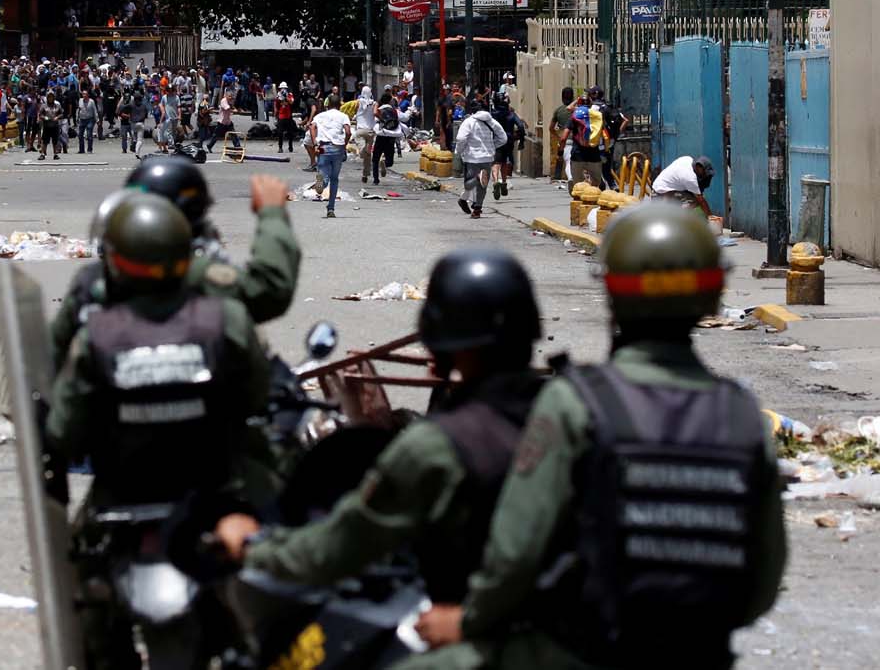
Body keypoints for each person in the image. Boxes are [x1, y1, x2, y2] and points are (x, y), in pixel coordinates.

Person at [413, 204, 786, 670]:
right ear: (713, 295)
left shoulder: (576, 403)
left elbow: (515, 555)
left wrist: (468, 621)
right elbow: (762, 582)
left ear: (612, 293)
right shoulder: (742, 414)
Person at [215, 250, 545, 610]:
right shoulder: (571, 407)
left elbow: (341, 543)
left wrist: (253, 547)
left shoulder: (437, 447)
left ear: (437, 341)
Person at [46, 193, 273, 670]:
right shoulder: (226, 319)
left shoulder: (98, 335)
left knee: (81, 591)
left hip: (120, 502)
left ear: (117, 264)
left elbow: (65, 431)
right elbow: (255, 398)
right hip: (214, 497)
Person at [50, 161, 300, 371]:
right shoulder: (202, 276)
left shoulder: (93, 281)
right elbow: (270, 289)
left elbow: (51, 355)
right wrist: (272, 213)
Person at [455, 98, 506, 219]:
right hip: (487, 158)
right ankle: (477, 209)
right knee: (483, 186)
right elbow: (503, 138)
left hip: (472, 157)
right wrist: (492, 146)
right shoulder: (492, 121)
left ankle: (476, 181)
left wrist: (460, 150)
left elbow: (461, 139)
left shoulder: (468, 122)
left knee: (469, 182)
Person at [309, 94, 352, 219]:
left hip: (323, 147)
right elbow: (348, 132)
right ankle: (331, 208)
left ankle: (321, 183)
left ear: (327, 105)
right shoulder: (343, 116)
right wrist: (344, 143)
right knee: (335, 178)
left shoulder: (319, 116)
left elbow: (312, 127)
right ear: (339, 105)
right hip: (337, 148)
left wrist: (315, 143)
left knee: (323, 173)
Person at [568, 88, 607, 187]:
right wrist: (605, 150)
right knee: (596, 185)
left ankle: (580, 199)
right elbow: (604, 134)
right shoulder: (597, 115)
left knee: (578, 186)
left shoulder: (576, 114)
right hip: (594, 155)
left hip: (577, 155)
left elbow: (564, 137)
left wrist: (560, 151)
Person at [372, 91, 402, 185]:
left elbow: (375, 114)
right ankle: (385, 163)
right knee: (390, 161)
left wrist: (377, 106)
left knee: (375, 159)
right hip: (391, 137)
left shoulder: (380, 109)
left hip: (381, 135)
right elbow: (398, 120)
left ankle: (376, 180)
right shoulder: (394, 110)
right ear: (390, 101)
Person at [549, 86, 575, 181]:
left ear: (562, 98)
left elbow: (551, 128)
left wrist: (557, 136)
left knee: (560, 157)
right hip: (577, 138)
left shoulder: (558, 111)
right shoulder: (577, 110)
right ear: (573, 97)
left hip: (563, 138)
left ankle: (557, 176)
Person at [354, 85, 378, 184]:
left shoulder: (358, 102)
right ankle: (365, 174)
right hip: (370, 131)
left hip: (360, 130)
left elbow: (354, 112)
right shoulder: (374, 103)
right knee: (368, 155)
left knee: (363, 152)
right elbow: (376, 113)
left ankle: (363, 151)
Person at [38, 91, 64, 160]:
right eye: (49, 97)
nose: (50, 98)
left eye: (52, 97)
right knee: (45, 141)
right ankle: (43, 154)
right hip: (47, 125)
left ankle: (55, 154)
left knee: (55, 141)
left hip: (55, 125)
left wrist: (57, 117)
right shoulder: (44, 105)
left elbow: (61, 114)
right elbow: (40, 114)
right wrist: (44, 117)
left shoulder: (57, 105)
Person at [273, 83, 298, 153]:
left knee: (290, 132)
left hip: (288, 116)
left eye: (284, 88)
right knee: (280, 132)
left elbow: (292, 102)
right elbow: (276, 107)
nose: (283, 89)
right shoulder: (278, 96)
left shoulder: (289, 95)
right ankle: (280, 147)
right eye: (282, 88)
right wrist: (275, 117)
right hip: (281, 116)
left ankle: (290, 146)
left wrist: (286, 96)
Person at [76, 89, 99, 154]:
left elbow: (95, 111)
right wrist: (77, 118)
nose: (84, 95)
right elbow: (79, 110)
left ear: (88, 95)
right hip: (82, 119)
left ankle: (89, 149)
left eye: (85, 94)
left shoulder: (91, 101)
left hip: (90, 119)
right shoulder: (80, 101)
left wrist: (97, 120)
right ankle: (81, 149)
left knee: (89, 135)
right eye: (83, 94)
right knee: (80, 135)